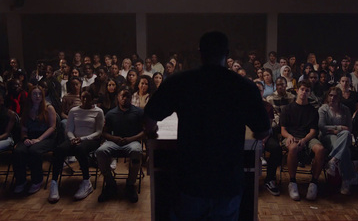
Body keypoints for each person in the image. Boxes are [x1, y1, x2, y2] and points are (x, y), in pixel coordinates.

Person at [144, 31, 270, 220]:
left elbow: (149, 118)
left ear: (199, 52)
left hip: (190, 181)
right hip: (226, 182)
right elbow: (262, 132)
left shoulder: (180, 81)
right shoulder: (244, 86)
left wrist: (152, 131)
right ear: (227, 53)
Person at [48, 91, 104, 203]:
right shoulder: (74, 111)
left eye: (88, 98)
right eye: (83, 98)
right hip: (74, 138)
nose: (85, 100)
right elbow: (68, 129)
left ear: (93, 99)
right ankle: (54, 182)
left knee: (80, 149)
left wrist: (82, 139)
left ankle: (86, 181)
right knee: (59, 149)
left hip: (90, 139)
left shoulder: (98, 112)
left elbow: (98, 132)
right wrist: (72, 138)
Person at [96, 87, 144, 203]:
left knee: (137, 151)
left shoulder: (138, 112)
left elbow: (144, 131)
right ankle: (110, 183)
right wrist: (115, 138)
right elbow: (104, 132)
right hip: (114, 141)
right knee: (100, 151)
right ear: (118, 98)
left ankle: (130, 184)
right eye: (122, 96)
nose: (124, 99)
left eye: (127, 96)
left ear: (131, 98)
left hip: (132, 141)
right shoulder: (111, 113)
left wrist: (130, 139)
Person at [280, 80, 326, 201]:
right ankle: (292, 181)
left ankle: (314, 182)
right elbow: (283, 130)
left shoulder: (312, 110)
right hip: (291, 137)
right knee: (293, 147)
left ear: (310, 93)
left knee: (320, 149)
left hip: (307, 138)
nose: (304, 92)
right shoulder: (287, 109)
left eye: (307, 90)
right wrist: (289, 136)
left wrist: (305, 140)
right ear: (297, 90)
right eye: (302, 89)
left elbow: (313, 131)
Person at [13, 86, 56, 194]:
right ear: (30, 96)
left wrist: (39, 139)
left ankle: (37, 180)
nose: (37, 96)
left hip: (46, 137)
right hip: (30, 136)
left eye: (39, 94)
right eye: (34, 94)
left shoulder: (48, 108)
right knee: (19, 151)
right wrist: (25, 138)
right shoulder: (27, 109)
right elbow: (23, 129)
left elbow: (52, 127)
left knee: (34, 151)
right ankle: (21, 181)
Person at [318, 87, 358, 195]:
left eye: (335, 96)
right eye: (330, 95)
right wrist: (339, 128)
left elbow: (349, 128)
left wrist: (339, 130)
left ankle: (333, 160)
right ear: (327, 96)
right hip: (328, 136)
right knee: (345, 151)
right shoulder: (323, 109)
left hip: (344, 136)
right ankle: (347, 180)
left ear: (339, 98)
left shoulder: (345, 109)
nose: (332, 98)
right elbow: (321, 127)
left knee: (345, 134)